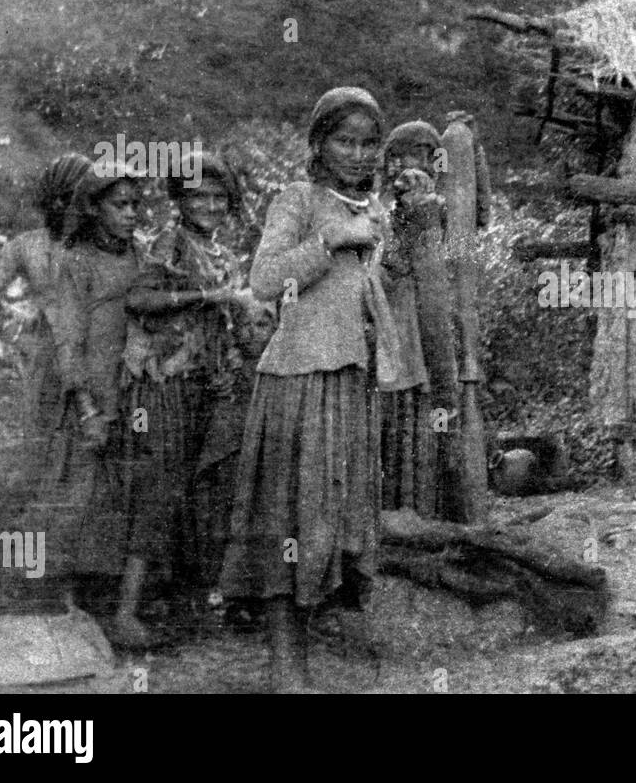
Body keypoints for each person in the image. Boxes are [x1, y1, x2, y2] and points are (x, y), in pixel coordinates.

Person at [218, 87, 395, 693]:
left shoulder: (374, 211)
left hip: (349, 381)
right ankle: (284, 671)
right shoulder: (297, 200)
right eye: (345, 140)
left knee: (329, 525)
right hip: (298, 379)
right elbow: (265, 281)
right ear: (319, 144)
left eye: (370, 143)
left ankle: (302, 664)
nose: (359, 153)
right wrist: (332, 242)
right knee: (288, 520)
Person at [122, 152, 265, 619]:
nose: (209, 205)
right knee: (162, 486)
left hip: (213, 382)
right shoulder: (169, 242)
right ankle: (127, 612)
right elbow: (139, 299)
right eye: (198, 196)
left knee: (207, 488)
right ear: (179, 200)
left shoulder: (222, 252)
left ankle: (191, 600)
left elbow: (230, 317)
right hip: (170, 381)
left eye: (219, 197)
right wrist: (206, 296)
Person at [48, 160, 164, 648]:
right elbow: (69, 339)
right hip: (93, 396)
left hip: (135, 388)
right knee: (81, 492)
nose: (132, 214)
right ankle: (65, 607)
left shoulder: (141, 256)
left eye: (137, 204)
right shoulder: (75, 262)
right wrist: (85, 406)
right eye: (120, 205)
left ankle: (123, 609)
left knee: (135, 489)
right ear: (92, 209)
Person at [0, 154, 93, 454]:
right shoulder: (28, 245)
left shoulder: (105, 243)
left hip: (94, 351)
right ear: (60, 202)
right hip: (49, 355)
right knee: (45, 437)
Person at [376, 121, 459, 518]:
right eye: (413, 154)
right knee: (403, 402)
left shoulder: (432, 201)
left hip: (422, 312)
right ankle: (401, 509)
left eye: (430, 155)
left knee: (423, 402)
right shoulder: (394, 203)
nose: (420, 164)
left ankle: (421, 509)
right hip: (399, 312)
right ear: (393, 159)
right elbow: (389, 262)